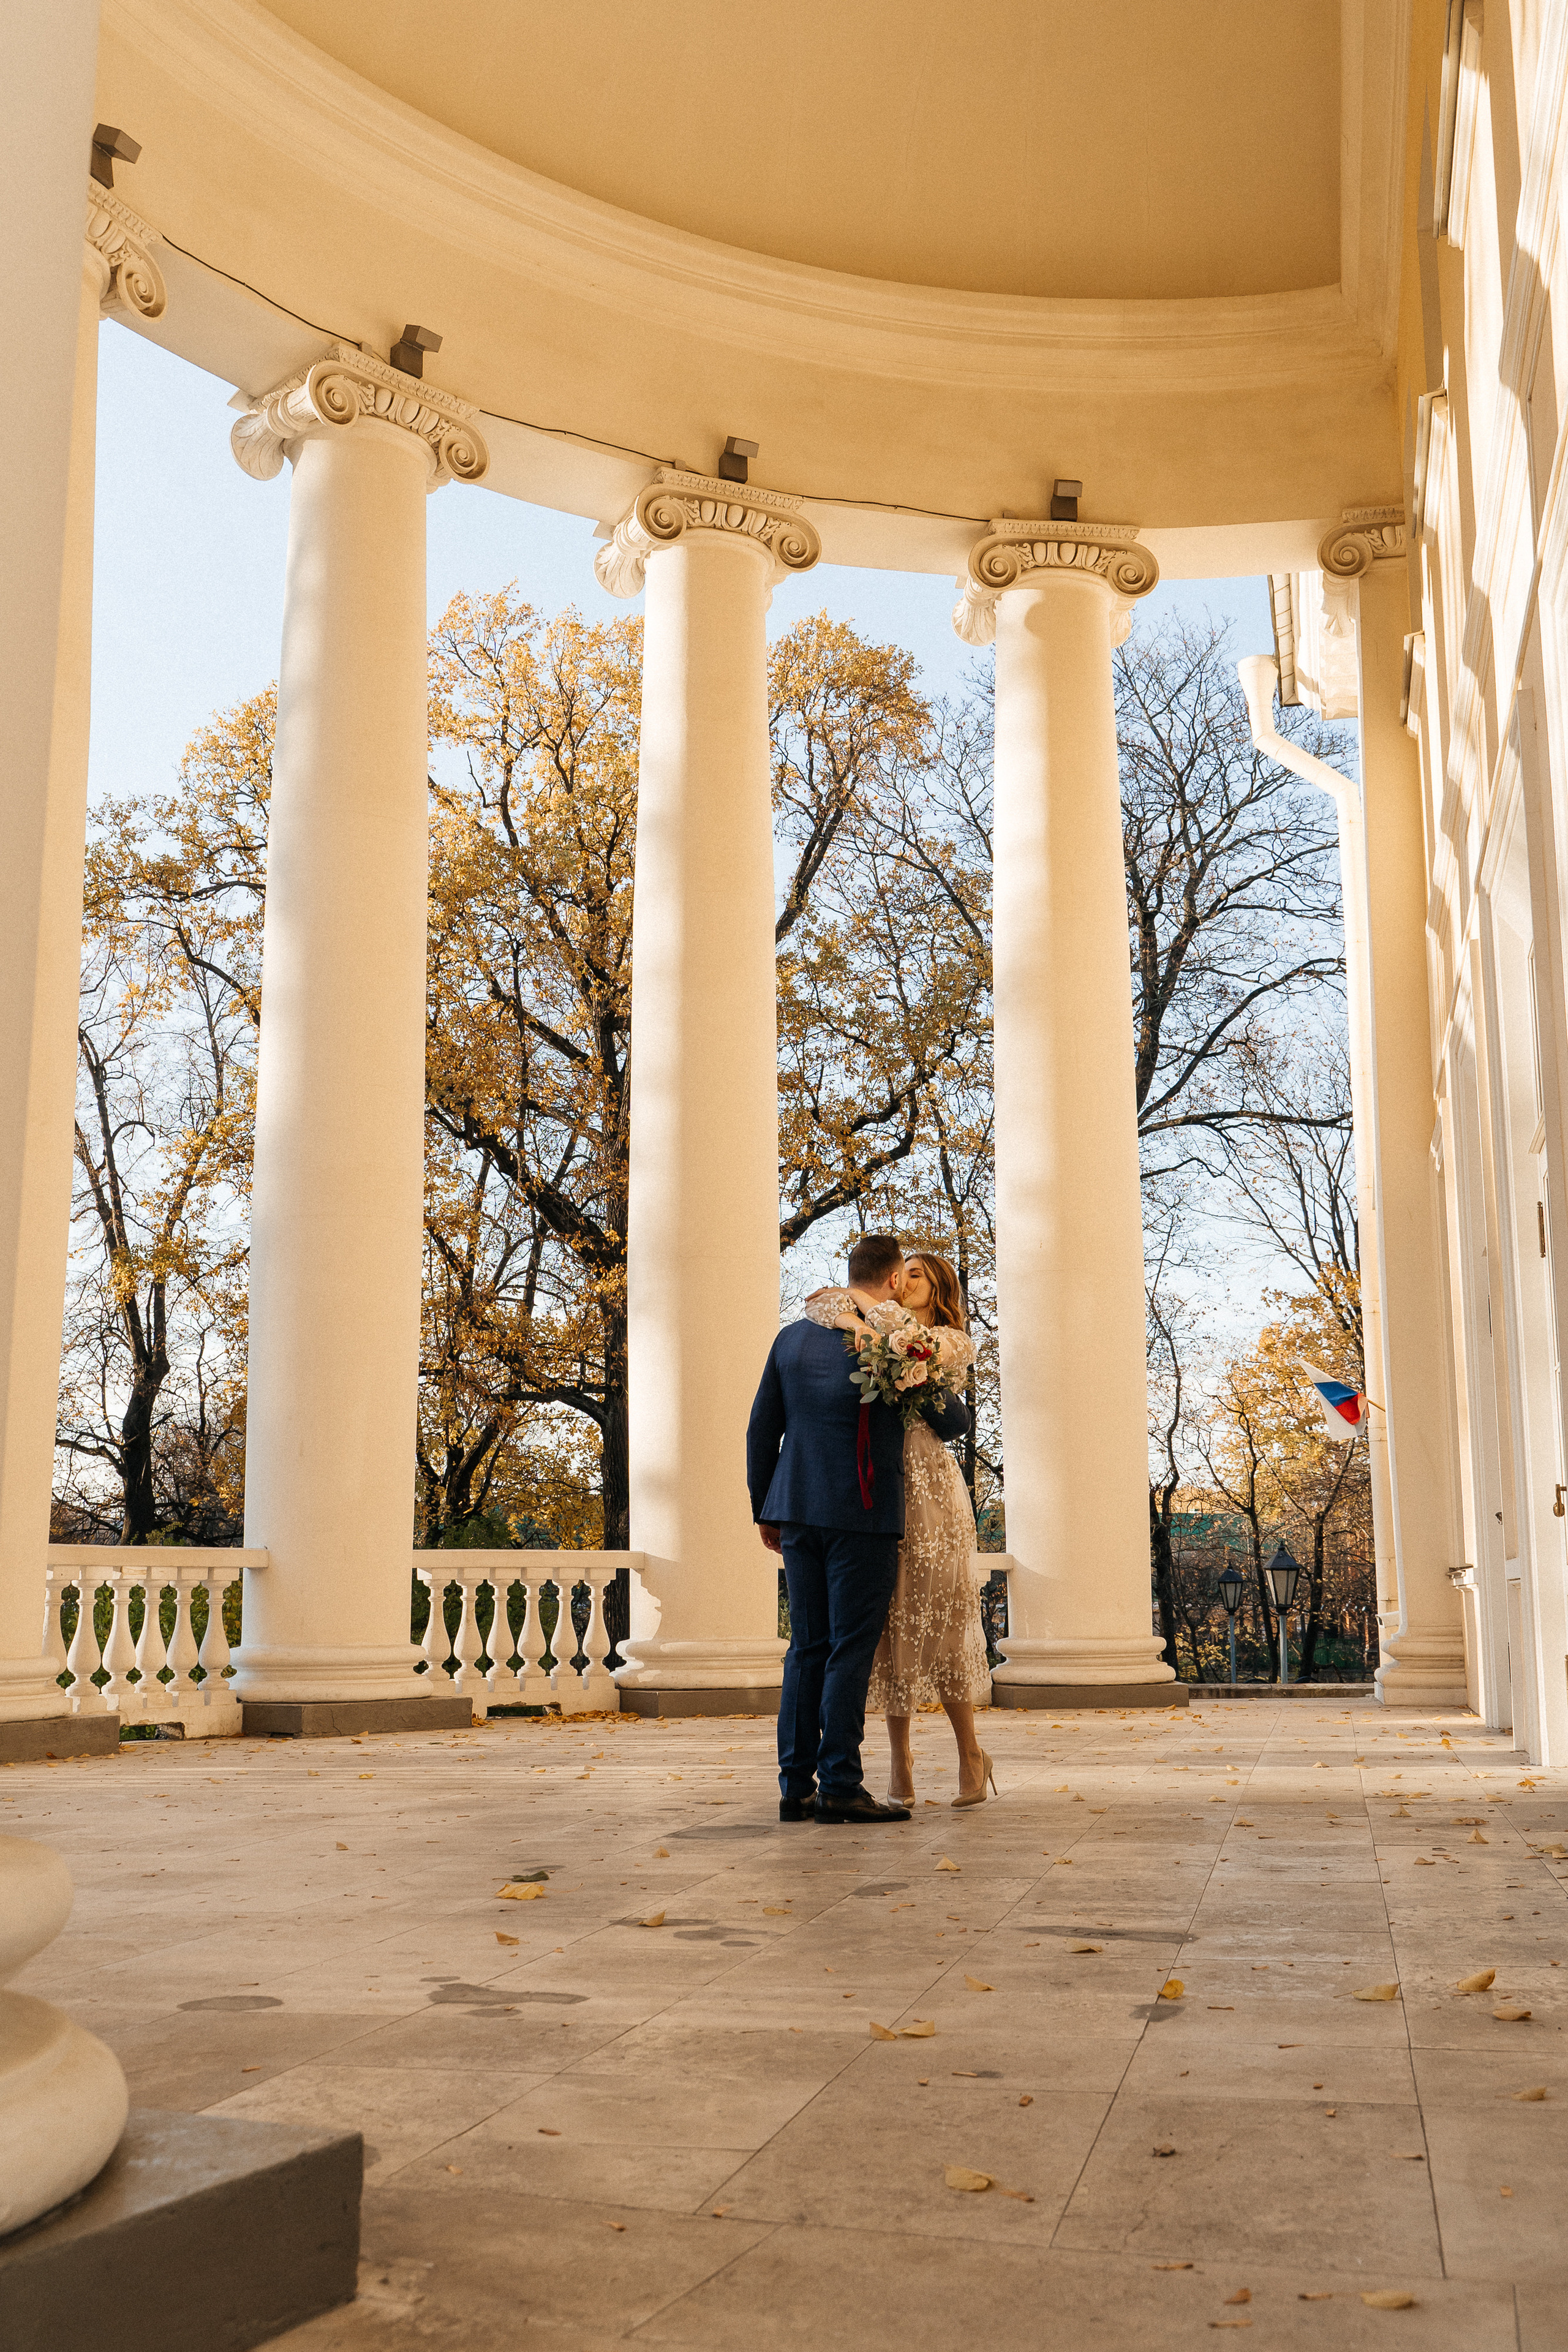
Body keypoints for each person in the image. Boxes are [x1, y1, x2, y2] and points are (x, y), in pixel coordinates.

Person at [747, 1234, 969, 1825]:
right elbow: (952, 1421)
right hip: (865, 1512)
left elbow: (760, 1430)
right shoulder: (892, 1345)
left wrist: (765, 1509)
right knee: (851, 1648)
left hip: (795, 1509)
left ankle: (795, 1787)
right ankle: (841, 1783)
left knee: (806, 1647)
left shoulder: (790, 1339)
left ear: (851, 1276)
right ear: (895, 1281)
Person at [804, 1251, 995, 1806]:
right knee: (888, 1625)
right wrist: (848, 1314)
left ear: (938, 1288)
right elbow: (815, 1307)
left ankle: (970, 1755)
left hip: (932, 1486)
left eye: (916, 1275)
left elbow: (900, 1341)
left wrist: (859, 1308)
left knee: (943, 1621)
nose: (902, 1281)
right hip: (881, 1482)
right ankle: (899, 1761)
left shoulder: (951, 1341)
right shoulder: (873, 1322)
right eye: (899, 1273)